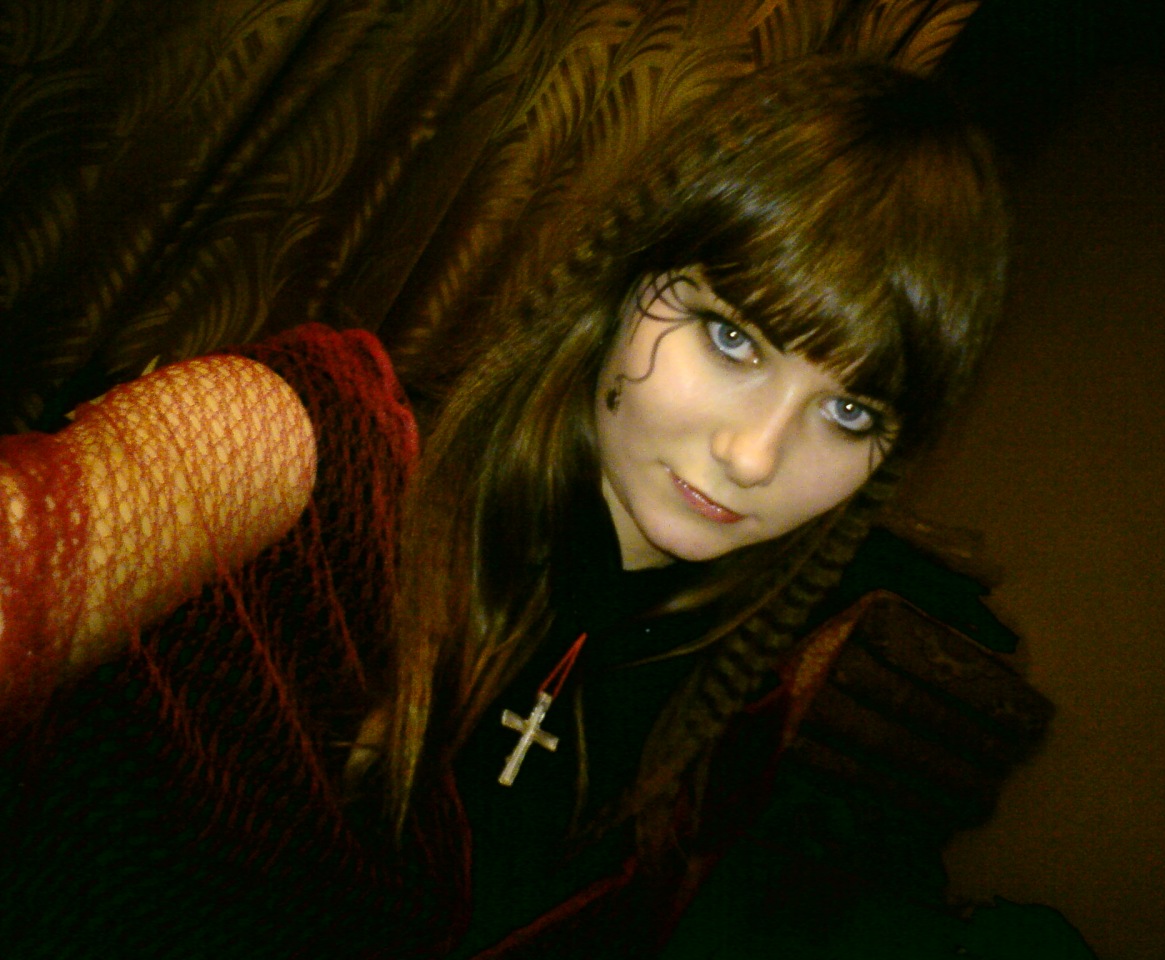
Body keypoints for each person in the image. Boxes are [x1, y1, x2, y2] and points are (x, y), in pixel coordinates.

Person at [0, 58, 1010, 957]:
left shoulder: (722, 730)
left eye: (848, 411)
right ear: (624, 279)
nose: (754, 456)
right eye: (731, 338)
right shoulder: (302, 451)